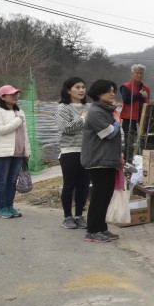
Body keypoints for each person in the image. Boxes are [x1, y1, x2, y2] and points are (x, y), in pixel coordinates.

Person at [81, 80, 123, 243]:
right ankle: (92, 231)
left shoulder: (108, 110)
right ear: (99, 94)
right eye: (108, 91)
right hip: (98, 160)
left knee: (106, 195)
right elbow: (108, 134)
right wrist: (117, 122)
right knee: (99, 196)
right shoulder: (96, 112)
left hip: (109, 159)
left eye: (113, 90)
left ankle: (102, 228)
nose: (112, 94)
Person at [55, 77, 90, 229]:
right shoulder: (63, 107)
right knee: (69, 184)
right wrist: (82, 118)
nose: (81, 90)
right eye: (77, 87)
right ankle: (67, 217)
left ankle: (79, 216)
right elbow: (67, 128)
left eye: (83, 87)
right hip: (69, 151)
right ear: (69, 90)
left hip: (87, 151)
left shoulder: (89, 107)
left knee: (84, 185)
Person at [0, 85, 30, 219]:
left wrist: (27, 151)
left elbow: (25, 134)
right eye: (11, 94)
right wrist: (17, 120)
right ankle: (1, 208)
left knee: (12, 181)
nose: (15, 96)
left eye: (17, 94)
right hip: (2, 153)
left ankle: (9, 206)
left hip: (18, 153)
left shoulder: (20, 111)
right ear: (2, 97)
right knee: (1, 180)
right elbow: (1, 130)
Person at [119, 64, 150, 163]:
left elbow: (147, 102)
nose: (139, 75)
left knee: (142, 141)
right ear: (132, 73)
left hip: (143, 118)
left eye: (141, 73)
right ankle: (127, 163)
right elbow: (127, 100)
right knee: (129, 142)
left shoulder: (146, 88)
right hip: (129, 119)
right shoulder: (126, 86)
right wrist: (139, 95)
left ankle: (141, 162)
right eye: (137, 73)